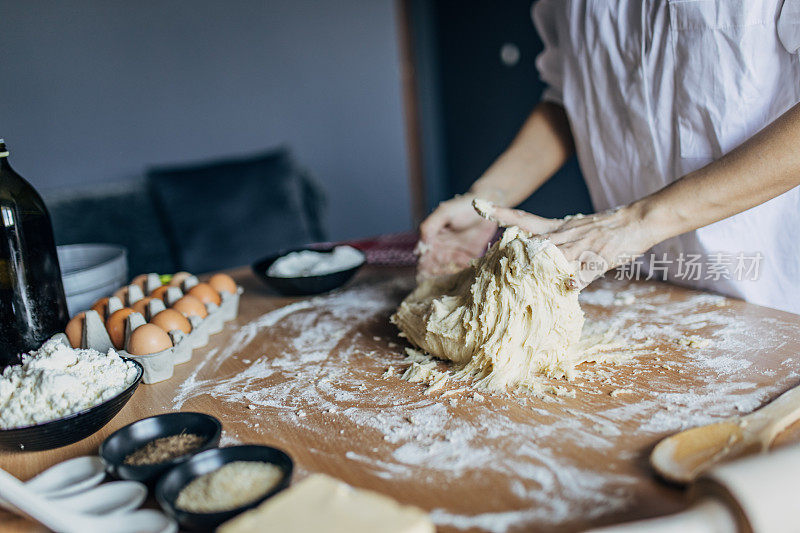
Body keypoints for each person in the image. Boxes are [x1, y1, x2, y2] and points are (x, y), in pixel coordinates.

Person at [417, 0, 800, 314]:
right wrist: (488, 199)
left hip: (773, 298)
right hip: (636, 289)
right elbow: (571, 100)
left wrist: (639, 222)